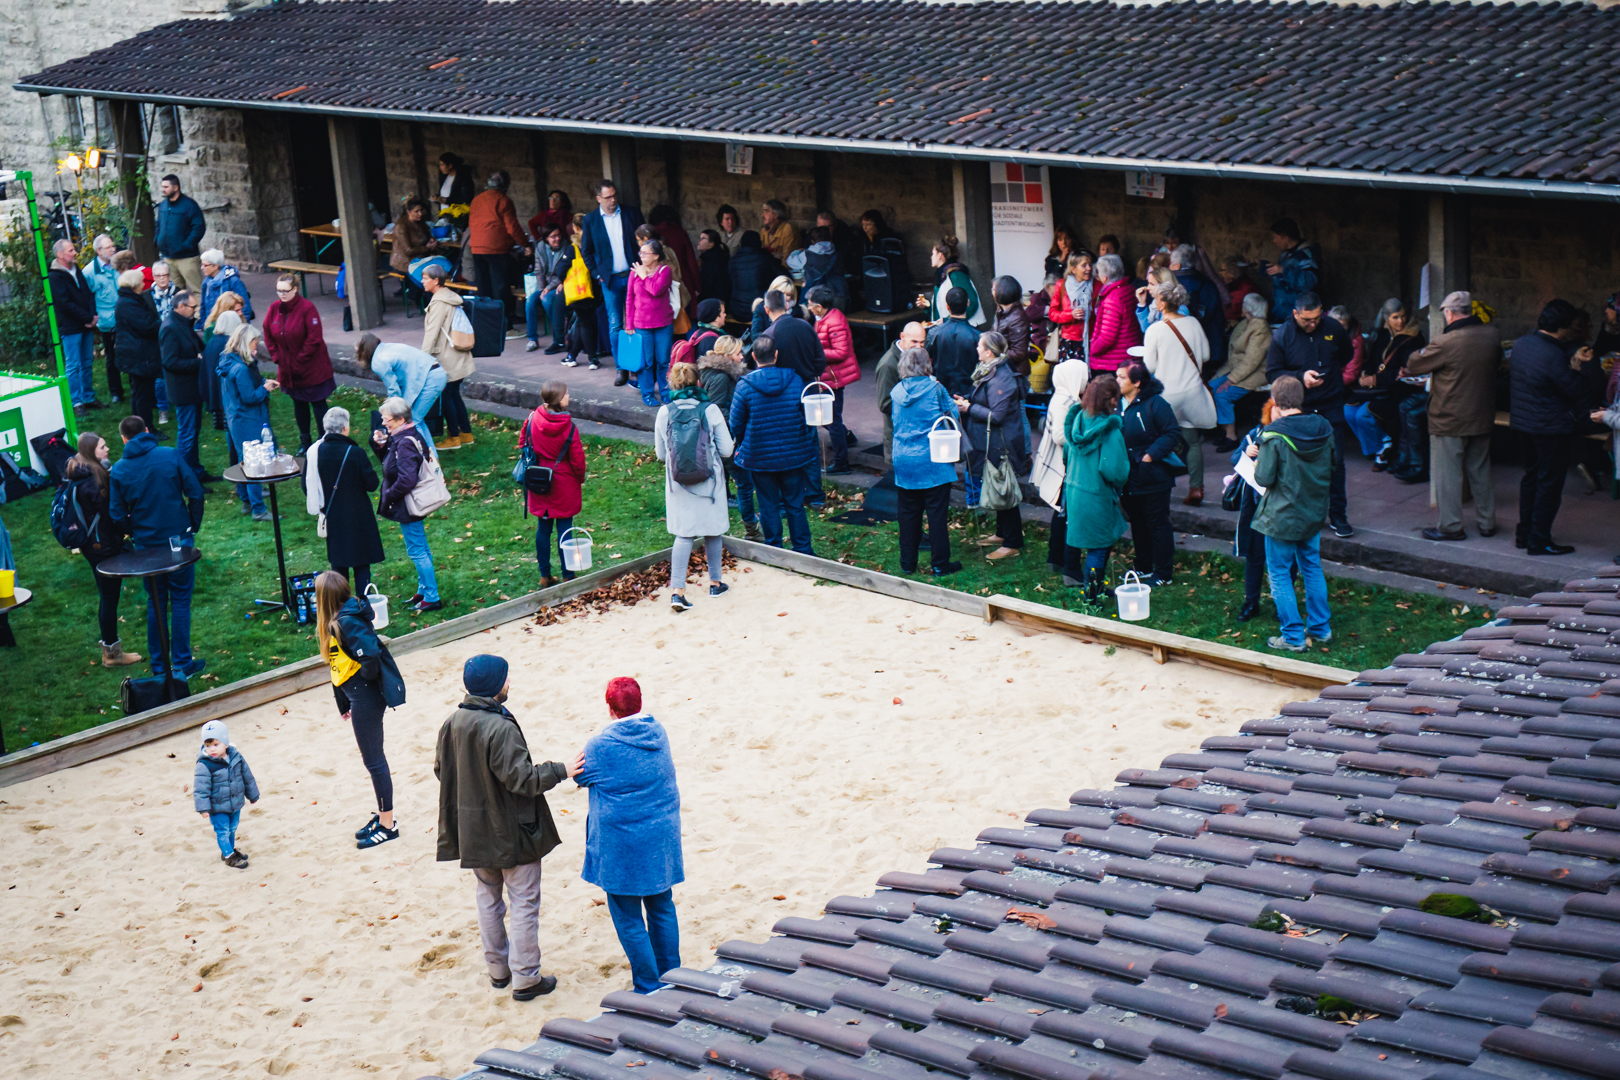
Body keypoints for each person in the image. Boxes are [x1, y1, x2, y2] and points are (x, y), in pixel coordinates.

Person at [436, 654, 577, 1001]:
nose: (509, 682)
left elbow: (443, 771)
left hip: (473, 831)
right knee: (524, 901)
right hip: (511, 832)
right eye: (506, 678)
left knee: (488, 898)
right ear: (494, 686)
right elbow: (523, 780)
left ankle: (498, 970)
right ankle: (526, 978)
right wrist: (562, 769)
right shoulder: (500, 727)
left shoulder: (452, 722)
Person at [573, 677, 683, 995]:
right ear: (640, 702)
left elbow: (580, 776)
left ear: (609, 709)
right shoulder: (658, 732)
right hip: (660, 837)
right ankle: (672, 977)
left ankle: (648, 985)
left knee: (628, 915)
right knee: (662, 905)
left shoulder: (600, 745)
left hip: (622, 845)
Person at [108, 414, 206, 678]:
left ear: (123, 438)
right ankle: (183, 663)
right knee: (181, 601)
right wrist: (191, 525)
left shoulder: (118, 470)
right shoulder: (170, 454)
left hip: (147, 546)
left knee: (156, 601)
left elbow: (116, 515)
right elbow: (195, 492)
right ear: (147, 431)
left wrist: (136, 532)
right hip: (179, 540)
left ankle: (160, 667)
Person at [315, 570, 405, 849]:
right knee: (373, 760)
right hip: (357, 697)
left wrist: (364, 682)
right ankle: (383, 817)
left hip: (366, 697)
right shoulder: (338, 621)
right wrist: (342, 700)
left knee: (374, 761)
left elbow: (371, 655)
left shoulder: (346, 623)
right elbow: (337, 665)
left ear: (324, 598)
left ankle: (388, 825)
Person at [1402, 292, 1502, 541]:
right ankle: (1487, 522)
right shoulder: (1492, 335)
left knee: (1448, 476)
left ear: (1449, 313)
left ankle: (1451, 526)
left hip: (1449, 419)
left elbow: (1414, 364)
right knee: (1481, 471)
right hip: (1481, 415)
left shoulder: (1446, 342)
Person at [1248, 376, 1334, 651]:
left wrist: (1259, 455)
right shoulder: (1323, 427)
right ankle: (1321, 629)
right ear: (1301, 398)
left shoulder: (1274, 435)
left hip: (1282, 516)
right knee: (1312, 567)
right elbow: (1334, 463)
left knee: (1279, 574)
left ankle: (1294, 637)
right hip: (1313, 511)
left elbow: (1262, 478)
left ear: (1275, 400)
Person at [1265, 291, 1353, 537]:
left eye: (1316, 318)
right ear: (1295, 314)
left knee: (1336, 462)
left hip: (1331, 403)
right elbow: (1272, 373)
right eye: (1307, 320)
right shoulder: (1283, 335)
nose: (1312, 324)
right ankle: (1304, 515)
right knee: (1300, 463)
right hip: (1299, 408)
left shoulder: (1333, 328)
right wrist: (1299, 377)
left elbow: (1347, 355)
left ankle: (1338, 515)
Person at [1510, 299, 1590, 556]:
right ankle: (1539, 540)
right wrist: (1578, 366)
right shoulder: (1553, 355)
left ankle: (1524, 534)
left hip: (1524, 423)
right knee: (1550, 484)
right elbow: (1574, 390)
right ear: (1561, 328)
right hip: (1550, 427)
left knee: (1531, 477)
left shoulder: (1522, 344)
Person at [655, 364, 736, 611]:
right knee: (713, 530)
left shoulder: (664, 412)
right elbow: (726, 450)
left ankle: (677, 591)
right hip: (709, 481)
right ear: (697, 383)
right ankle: (715, 582)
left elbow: (660, 453)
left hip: (679, 482)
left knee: (684, 533)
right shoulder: (709, 410)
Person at [729, 337, 815, 553]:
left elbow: (735, 423)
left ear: (754, 356)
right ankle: (803, 549)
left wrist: (742, 443)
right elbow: (806, 414)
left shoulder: (745, 386)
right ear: (776, 355)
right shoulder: (795, 380)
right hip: (793, 453)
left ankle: (774, 548)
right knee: (795, 503)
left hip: (760, 455)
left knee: (768, 505)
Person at [64, 432, 140, 667]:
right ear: (91, 452)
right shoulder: (94, 482)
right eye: (102, 447)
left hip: (93, 545)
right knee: (108, 597)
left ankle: (111, 651)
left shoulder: (79, 471)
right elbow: (112, 515)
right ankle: (112, 654)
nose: (107, 449)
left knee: (107, 595)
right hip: (102, 546)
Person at [954, 331, 1030, 561]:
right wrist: (967, 400)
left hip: (1000, 443)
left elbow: (997, 415)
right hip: (991, 442)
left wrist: (969, 408)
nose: (976, 348)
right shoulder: (990, 371)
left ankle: (1012, 542)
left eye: (979, 345)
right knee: (997, 485)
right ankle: (1001, 533)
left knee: (1003, 488)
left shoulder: (1002, 378)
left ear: (989, 352)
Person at [888, 348, 962, 576]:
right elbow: (953, 416)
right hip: (933, 459)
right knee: (936, 515)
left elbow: (894, 421)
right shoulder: (936, 389)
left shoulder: (896, 392)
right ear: (927, 364)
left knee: (908, 514)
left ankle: (907, 563)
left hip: (904, 458)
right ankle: (940, 563)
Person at [1140, 280, 1213, 506]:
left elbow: (1150, 367)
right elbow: (1207, 355)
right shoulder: (1193, 323)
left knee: (1160, 440)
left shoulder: (1155, 330)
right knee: (1192, 442)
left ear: (1162, 304)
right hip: (1192, 392)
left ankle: (1160, 488)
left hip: (1166, 394)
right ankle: (1196, 488)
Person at [371, 397, 443, 613]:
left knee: (417, 551)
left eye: (387, 420)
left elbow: (406, 480)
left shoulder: (404, 442)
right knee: (421, 548)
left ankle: (431, 596)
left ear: (401, 419)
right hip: (409, 504)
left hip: (409, 505)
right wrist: (382, 445)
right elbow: (391, 463)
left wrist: (388, 497)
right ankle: (424, 590)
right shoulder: (405, 434)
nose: (384, 424)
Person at [1063, 376, 1130, 601]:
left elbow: (1066, 456)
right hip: (1096, 495)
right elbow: (1114, 471)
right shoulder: (1110, 431)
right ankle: (1091, 597)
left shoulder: (1076, 421)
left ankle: (1096, 589)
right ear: (1111, 399)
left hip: (1074, 491)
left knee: (1097, 545)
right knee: (1099, 547)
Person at [1116, 362, 1181, 585]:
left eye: (1122, 377)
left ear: (1137, 382)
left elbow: (1171, 433)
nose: (1117, 381)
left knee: (1157, 523)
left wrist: (1150, 456)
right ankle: (1143, 566)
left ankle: (1163, 573)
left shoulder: (1157, 404)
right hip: (1128, 477)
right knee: (1138, 521)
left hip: (1153, 476)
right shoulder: (1116, 404)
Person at [309, 408, 386, 593]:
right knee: (361, 563)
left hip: (332, 515)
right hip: (358, 515)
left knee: (338, 564)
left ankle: (340, 606)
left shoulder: (315, 452)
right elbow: (372, 484)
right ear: (345, 428)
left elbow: (307, 485)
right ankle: (363, 603)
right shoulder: (355, 453)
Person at [521, 382, 587, 587]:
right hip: (564, 481)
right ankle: (568, 574)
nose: (569, 396)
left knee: (543, 528)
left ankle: (545, 574)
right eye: (567, 394)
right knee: (565, 529)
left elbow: (523, 440)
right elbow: (577, 459)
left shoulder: (533, 418)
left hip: (539, 478)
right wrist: (580, 477)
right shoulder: (569, 427)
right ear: (560, 400)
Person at [580, 179, 646, 386]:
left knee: (637, 321)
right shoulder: (591, 220)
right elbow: (586, 251)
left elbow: (645, 240)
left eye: (614, 196)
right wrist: (596, 274)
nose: (613, 200)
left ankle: (637, 366)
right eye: (608, 197)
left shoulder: (631, 213)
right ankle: (621, 369)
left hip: (633, 275)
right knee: (615, 323)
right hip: (609, 280)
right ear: (598, 198)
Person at [263, 273, 336, 452]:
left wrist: (300, 359)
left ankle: (324, 440)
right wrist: (277, 356)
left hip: (312, 367)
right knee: (299, 403)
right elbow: (267, 332)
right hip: (288, 367)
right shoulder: (274, 308)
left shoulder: (307, 308)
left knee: (318, 403)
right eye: (278, 291)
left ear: (295, 289)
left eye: (285, 291)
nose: (281, 294)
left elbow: (314, 338)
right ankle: (305, 442)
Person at [1031, 359, 1089, 577]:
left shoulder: (1064, 397)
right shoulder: (1066, 401)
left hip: (1061, 466)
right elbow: (1060, 436)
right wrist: (1083, 437)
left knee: (1061, 514)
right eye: (1084, 376)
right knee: (1067, 515)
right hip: (1063, 467)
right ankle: (1067, 565)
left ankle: (1055, 560)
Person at [1356, 300, 1425, 475]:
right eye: (1395, 317)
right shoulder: (1382, 335)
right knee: (1348, 411)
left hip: (1400, 389)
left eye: (1403, 316)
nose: (1400, 321)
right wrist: (1366, 374)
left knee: (1363, 414)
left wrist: (1376, 379)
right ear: (1387, 318)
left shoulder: (1414, 338)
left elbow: (1404, 370)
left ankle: (1383, 451)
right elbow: (1373, 361)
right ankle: (1382, 445)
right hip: (1379, 388)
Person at [217, 323, 278, 520]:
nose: (257, 345)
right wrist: (265, 389)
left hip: (237, 419)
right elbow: (250, 397)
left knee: (244, 460)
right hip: (248, 419)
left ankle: (246, 500)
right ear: (245, 342)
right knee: (253, 463)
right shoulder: (241, 369)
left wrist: (262, 384)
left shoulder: (229, 363)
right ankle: (259, 509)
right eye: (255, 341)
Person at [354, 334, 446, 450]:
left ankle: (427, 459)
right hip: (435, 372)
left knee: (414, 422)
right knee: (416, 419)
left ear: (364, 350)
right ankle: (432, 457)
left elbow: (394, 390)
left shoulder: (378, 362)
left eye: (357, 351)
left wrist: (390, 410)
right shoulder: (385, 348)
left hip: (431, 378)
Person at [420, 264, 477, 451]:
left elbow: (431, 335)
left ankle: (453, 437)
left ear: (436, 281)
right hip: (459, 357)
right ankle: (466, 433)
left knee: (446, 397)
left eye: (425, 278)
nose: (422, 281)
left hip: (447, 359)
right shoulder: (450, 298)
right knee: (454, 395)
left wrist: (421, 360)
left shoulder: (438, 303)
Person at [193, 720, 259, 870]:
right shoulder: (204, 764)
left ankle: (228, 850)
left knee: (233, 827)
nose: (212, 749)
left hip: (235, 802)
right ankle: (229, 856)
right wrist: (203, 808)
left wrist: (252, 795)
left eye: (216, 744)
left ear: (226, 743)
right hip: (217, 806)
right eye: (208, 745)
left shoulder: (236, 757)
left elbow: (246, 776)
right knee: (222, 830)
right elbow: (200, 788)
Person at [159, 290, 210, 483]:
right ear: (180, 307)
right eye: (192, 307)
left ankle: (195, 471)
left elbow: (200, 348)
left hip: (192, 389)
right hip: (183, 391)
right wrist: (197, 362)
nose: (195, 311)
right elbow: (170, 362)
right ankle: (187, 478)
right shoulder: (170, 328)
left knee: (193, 432)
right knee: (187, 434)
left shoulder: (183, 324)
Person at [807, 285, 858, 474]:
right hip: (829, 376)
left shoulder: (833, 321)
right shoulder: (825, 319)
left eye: (810, 304)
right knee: (827, 417)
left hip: (835, 378)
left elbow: (841, 352)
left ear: (819, 306)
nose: (809, 307)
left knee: (832, 419)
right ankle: (848, 438)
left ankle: (841, 462)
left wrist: (816, 353)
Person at [469, 170, 530, 325]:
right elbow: (512, 228)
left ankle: (484, 321)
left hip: (476, 247)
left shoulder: (476, 200)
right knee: (501, 288)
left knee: (483, 287)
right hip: (496, 249)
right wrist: (525, 243)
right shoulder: (504, 201)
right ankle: (504, 321)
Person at [1211, 292, 1271, 451]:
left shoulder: (1260, 328)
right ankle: (1222, 429)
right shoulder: (1246, 323)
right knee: (1209, 387)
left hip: (1256, 373)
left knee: (1222, 393)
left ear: (1248, 309)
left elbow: (1252, 361)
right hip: (1237, 369)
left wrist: (1230, 380)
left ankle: (1231, 436)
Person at [49, 239, 102, 413]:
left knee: (87, 362)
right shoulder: (55, 277)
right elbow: (64, 304)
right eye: (71, 250)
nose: (75, 253)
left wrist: (92, 316)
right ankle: (76, 402)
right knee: (73, 365)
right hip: (71, 327)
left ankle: (88, 397)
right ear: (60, 255)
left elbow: (87, 293)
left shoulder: (76, 270)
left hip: (86, 324)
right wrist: (87, 317)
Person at [625, 239, 677, 408]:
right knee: (646, 362)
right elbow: (630, 299)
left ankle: (665, 392)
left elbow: (655, 290)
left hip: (663, 323)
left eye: (645, 253)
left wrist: (644, 276)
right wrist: (629, 324)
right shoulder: (634, 273)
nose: (641, 256)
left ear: (655, 256)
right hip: (641, 324)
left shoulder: (665, 271)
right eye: (640, 253)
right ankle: (647, 393)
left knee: (663, 360)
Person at [114, 268, 163, 429]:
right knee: (143, 395)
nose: (144, 284)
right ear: (135, 285)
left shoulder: (128, 300)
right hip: (139, 355)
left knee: (138, 393)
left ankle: (139, 427)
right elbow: (146, 326)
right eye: (141, 281)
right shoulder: (130, 303)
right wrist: (163, 323)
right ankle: (146, 428)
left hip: (135, 353)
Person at [876, 321, 927, 462]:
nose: (919, 347)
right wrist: (918, 403)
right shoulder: (888, 365)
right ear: (902, 336)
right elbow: (884, 404)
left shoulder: (916, 355)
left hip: (915, 434)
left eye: (922, 343)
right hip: (898, 437)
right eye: (914, 342)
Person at [1170, 243, 1226, 369]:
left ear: (1177, 264)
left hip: (1180, 347)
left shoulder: (1171, 285)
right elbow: (1219, 317)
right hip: (1210, 344)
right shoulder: (1208, 283)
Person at [1087, 254, 1142, 375]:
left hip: (1111, 362)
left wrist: (1092, 350)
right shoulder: (1128, 289)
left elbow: (1107, 337)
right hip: (1127, 355)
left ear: (1104, 278)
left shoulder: (1112, 299)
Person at [85, 233, 123, 403]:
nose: (113, 249)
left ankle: (136, 386)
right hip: (107, 321)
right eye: (109, 247)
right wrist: (94, 317)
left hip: (124, 317)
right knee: (111, 357)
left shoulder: (119, 265)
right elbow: (87, 297)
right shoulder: (89, 272)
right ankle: (116, 392)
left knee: (131, 352)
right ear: (99, 251)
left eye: (113, 246)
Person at [561, 214, 602, 370]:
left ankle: (592, 358)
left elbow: (562, 269)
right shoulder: (595, 243)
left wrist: (561, 280)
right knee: (583, 322)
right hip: (594, 290)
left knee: (584, 323)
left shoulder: (573, 247)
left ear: (575, 228)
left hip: (579, 291)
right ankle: (572, 355)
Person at [154, 174, 207, 292]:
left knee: (197, 289)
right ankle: (179, 311)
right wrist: (158, 240)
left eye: (166, 187)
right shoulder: (163, 205)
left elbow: (199, 227)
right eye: (162, 186)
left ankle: (200, 310)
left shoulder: (189, 205)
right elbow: (158, 224)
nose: (163, 189)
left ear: (176, 187)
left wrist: (186, 245)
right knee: (175, 291)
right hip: (168, 257)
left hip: (187, 257)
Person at [1264, 218, 1321, 325]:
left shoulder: (1305, 255)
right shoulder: (1285, 254)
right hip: (1283, 313)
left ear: (1286, 238)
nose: (1274, 240)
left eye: (1276, 237)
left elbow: (1310, 280)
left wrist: (1284, 270)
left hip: (1298, 315)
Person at [926, 287, 981, 398]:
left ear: (947, 306)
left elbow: (926, 359)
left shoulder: (934, 333)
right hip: (969, 394)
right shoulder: (978, 336)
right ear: (968, 303)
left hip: (941, 392)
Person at [527, 225, 571, 354]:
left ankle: (559, 338)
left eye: (558, 235)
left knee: (547, 300)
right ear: (546, 238)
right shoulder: (540, 247)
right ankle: (532, 339)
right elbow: (538, 270)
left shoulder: (566, 247)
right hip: (545, 285)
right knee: (530, 301)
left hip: (559, 284)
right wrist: (542, 289)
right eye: (553, 237)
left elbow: (564, 272)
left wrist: (548, 288)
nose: (557, 239)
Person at [925, 237, 985, 326]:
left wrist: (948, 320)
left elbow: (972, 302)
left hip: (963, 331)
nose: (931, 257)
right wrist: (927, 306)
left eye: (933, 253)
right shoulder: (941, 276)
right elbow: (939, 310)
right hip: (949, 330)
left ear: (940, 255)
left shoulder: (957, 275)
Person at [1047, 254, 1092, 363]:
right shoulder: (1062, 285)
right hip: (1070, 341)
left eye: (1090, 265)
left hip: (1091, 339)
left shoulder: (1095, 285)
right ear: (1073, 269)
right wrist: (1070, 315)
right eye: (1084, 265)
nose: (1089, 268)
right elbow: (1052, 313)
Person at [726, 231, 779, 324]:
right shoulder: (765, 257)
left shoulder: (733, 260)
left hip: (737, 310)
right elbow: (782, 275)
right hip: (760, 309)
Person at [992, 275, 1033, 375]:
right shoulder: (1001, 311)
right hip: (1004, 369)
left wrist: (995, 354)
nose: (992, 292)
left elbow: (1019, 352)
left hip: (1014, 372)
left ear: (1002, 292)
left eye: (993, 289)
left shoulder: (1017, 318)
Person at [199, 249, 253, 323]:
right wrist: (204, 325)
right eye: (202, 264)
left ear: (216, 266)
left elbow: (245, 306)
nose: (202, 268)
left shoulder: (233, 281)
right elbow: (203, 307)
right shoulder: (206, 283)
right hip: (212, 327)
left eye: (205, 265)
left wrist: (241, 325)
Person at [696, 229, 731, 308]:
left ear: (711, 243)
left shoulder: (713, 259)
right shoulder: (712, 257)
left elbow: (707, 285)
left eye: (703, 239)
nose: (699, 241)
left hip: (715, 302)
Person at [1218, 257, 1257, 326]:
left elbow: (1231, 312)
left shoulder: (1246, 288)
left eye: (1222, 270)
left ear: (1231, 272)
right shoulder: (1229, 283)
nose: (1220, 273)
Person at [759, 198, 801, 263]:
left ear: (775, 215)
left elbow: (788, 260)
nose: (762, 215)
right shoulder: (763, 231)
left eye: (766, 211)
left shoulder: (787, 229)